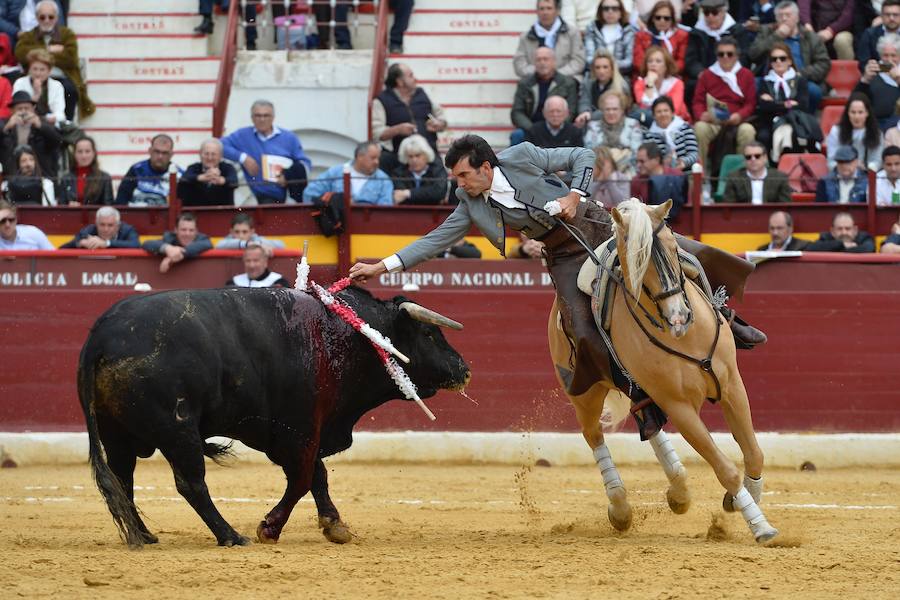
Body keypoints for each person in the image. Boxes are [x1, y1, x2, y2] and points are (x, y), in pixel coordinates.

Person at [348, 135, 767, 401]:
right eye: (456, 178)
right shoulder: (470, 203)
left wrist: (573, 195)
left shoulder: (524, 156)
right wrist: (381, 266)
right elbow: (434, 240)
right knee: (581, 327)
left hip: (596, 222)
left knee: (684, 254)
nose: (460, 184)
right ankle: (632, 389)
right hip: (564, 255)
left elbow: (582, 154)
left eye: (463, 175)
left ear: (485, 167)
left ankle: (730, 319)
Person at [220, 100, 312, 204]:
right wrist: (243, 158)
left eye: (266, 115)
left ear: (273, 117)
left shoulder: (289, 137)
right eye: (258, 116)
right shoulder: (243, 135)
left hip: (290, 194)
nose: (262, 119)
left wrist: (288, 176)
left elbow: (305, 164)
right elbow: (218, 146)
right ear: (252, 118)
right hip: (264, 197)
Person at [747, 1, 831, 113]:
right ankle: (762, 119)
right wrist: (776, 36)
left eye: (788, 15)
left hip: (800, 78)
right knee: (752, 84)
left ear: (797, 18)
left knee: (813, 90)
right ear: (776, 19)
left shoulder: (810, 37)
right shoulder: (767, 32)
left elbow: (823, 63)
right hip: (770, 79)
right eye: (781, 16)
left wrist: (801, 74)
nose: (784, 19)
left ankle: (807, 119)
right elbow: (753, 55)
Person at [14, 0, 93, 120]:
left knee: (70, 90)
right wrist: (49, 49)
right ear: (37, 18)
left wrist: (37, 54)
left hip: (63, 77)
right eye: (42, 17)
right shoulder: (28, 36)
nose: (46, 20)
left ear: (56, 17)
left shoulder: (67, 34)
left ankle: (66, 124)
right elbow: (21, 54)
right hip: (34, 76)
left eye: (50, 17)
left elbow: (71, 58)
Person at [691, 37, 757, 168]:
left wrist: (739, 116)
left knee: (748, 131)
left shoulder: (746, 75)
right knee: (699, 128)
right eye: (721, 54)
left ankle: (741, 173)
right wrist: (701, 115)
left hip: (736, 120)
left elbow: (750, 103)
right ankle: (699, 175)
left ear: (736, 56)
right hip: (712, 121)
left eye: (729, 54)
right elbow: (697, 101)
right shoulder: (707, 75)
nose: (725, 57)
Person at [372, 63, 447, 174]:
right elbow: (377, 133)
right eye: (410, 75)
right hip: (399, 160)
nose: (415, 79)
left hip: (428, 155)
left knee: (441, 182)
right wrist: (398, 129)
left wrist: (438, 124)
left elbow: (441, 117)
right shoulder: (381, 101)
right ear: (400, 82)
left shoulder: (422, 94)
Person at [756, 41, 812, 160]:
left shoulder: (799, 81)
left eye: (782, 58)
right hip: (770, 122)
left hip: (795, 121)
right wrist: (788, 104)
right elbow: (764, 107)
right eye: (774, 59)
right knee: (763, 136)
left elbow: (803, 105)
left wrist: (775, 103)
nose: (778, 62)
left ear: (789, 61)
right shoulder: (765, 82)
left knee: (793, 134)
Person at [511, 47, 579, 146]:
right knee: (517, 135)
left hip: (558, 127)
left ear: (554, 62)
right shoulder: (524, 84)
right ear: (534, 63)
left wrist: (555, 125)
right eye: (538, 60)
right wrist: (533, 129)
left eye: (546, 59)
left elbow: (571, 111)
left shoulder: (568, 83)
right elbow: (517, 112)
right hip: (531, 128)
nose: (542, 63)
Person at [684, 0, 745, 105]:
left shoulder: (737, 31)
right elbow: (691, 60)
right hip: (704, 76)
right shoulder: (697, 33)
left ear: (723, 12)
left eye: (714, 13)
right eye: (706, 13)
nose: (710, 17)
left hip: (731, 73)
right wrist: (702, 74)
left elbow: (743, 57)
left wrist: (727, 73)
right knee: (691, 86)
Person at [302, 141, 393, 206]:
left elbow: (385, 209)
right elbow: (309, 194)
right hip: (337, 228)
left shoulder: (384, 180)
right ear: (359, 157)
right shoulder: (336, 172)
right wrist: (334, 202)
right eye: (373, 158)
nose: (377, 162)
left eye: (378, 158)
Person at [513, 0, 586, 82]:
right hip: (535, 81)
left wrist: (555, 74)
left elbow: (579, 62)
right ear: (537, 12)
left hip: (564, 80)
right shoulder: (526, 37)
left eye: (549, 8)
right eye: (542, 9)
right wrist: (541, 72)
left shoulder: (572, 33)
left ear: (558, 11)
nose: (545, 12)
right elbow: (519, 66)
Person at [0, 90, 60, 178]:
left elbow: (57, 141)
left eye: (27, 108)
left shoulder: (42, 122)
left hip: (40, 175)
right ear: (12, 111)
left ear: (33, 109)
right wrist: (6, 128)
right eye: (19, 109)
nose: (23, 112)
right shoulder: (4, 124)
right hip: (11, 175)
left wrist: (40, 126)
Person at [583, 90, 644, 176]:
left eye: (615, 109)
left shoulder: (633, 124)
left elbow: (636, 153)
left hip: (627, 171)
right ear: (602, 110)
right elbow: (589, 153)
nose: (611, 113)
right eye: (607, 109)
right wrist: (623, 153)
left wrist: (607, 157)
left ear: (622, 110)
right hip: (599, 173)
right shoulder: (593, 126)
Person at [115, 134, 183, 206]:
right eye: (156, 152)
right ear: (150, 151)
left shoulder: (179, 175)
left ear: (171, 154)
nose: (160, 156)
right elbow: (121, 200)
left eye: (165, 153)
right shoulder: (136, 170)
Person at [825, 92, 884, 170]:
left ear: (867, 113)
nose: (856, 116)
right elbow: (831, 161)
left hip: (867, 175)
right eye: (853, 112)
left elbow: (877, 160)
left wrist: (866, 168)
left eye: (860, 112)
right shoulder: (836, 131)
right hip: (841, 176)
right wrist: (848, 167)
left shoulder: (877, 133)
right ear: (848, 113)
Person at [574, 48, 632, 127]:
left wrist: (590, 116)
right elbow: (584, 101)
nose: (601, 71)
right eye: (598, 67)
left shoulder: (621, 86)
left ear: (612, 69)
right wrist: (584, 112)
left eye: (605, 67)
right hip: (590, 122)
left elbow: (612, 110)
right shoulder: (588, 83)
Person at [854, 33, 900, 131]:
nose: (889, 60)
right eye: (885, 56)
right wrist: (865, 80)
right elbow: (855, 100)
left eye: (893, 55)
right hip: (875, 125)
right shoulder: (872, 72)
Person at [142, 212, 213, 273]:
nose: (187, 234)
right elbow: (147, 244)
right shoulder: (169, 237)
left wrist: (174, 256)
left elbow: (207, 244)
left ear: (196, 231)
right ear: (176, 230)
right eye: (183, 230)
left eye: (191, 230)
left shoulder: (203, 239)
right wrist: (167, 248)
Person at [633, 45, 690, 121]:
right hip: (649, 122)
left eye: (658, 61)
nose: (653, 64)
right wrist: (650, 83)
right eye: (650, 61)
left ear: (666, 66)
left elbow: (674, 110)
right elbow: (644, 108)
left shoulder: (677, 84)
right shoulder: (639, 83)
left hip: (676, 121)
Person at [724, 140, 792, 203]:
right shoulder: (734, 178)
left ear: (765, 158)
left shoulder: (780, 178)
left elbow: (785, 207)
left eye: (757, 156)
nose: (753, 159)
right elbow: (729, 207)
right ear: (744, 160)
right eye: (748, 157)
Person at [177, 138, 239, 206]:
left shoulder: (228, 168)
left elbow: (234, 181)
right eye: (206, 154)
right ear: (200, 154)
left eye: (213, 154)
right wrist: (201, 177)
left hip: (223, 213)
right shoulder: (193, 167)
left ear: (221, 156)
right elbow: (183, 179)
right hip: (195, 213)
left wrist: (220, 180)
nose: (210, 158)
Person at [644, 96, 699, 170]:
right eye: (658, 112)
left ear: (672, 113)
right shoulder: (649, 135)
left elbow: (694, 154)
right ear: (654, 116)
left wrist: (683, 162)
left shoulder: (685, 128)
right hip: (660, 175)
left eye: (666, 110)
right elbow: (648, 159)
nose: (663, 114)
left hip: (686, 173)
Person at [633, 1, 690, 74]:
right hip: (646, 75)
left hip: (671, 75)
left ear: (672, 20)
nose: (662, 21)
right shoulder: (641, 35)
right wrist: (653, 72)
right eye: (658, 17)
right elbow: (638, 61)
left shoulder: (681, 36)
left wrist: (664, 73)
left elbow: (681, 61)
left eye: (666, 18)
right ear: (653, 18)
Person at [391, 134, 448, 205]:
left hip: (433, 214)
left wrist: (408, 193)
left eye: (417, 155)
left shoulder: (438, 170)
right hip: (407, 213)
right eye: (410, 156)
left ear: (426, 155)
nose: (414, 160)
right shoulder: (398, 173)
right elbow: (400, 197)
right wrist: (427, 194)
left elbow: (439, 193)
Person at [583, 0, 636, 77]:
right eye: (606, 8)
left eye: (615, 8)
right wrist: (602, 68)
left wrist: (608, 67)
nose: (610, 12)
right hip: (595, 74)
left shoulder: (628, 30)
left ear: (621, 12)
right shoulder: (592, 29)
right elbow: (589, 58)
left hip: (621, 74)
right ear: (601, 12)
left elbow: (629, 61)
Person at [12, 48, 63, 125]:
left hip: (50, 123)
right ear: (29, 69)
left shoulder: (56, 85)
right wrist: (36, 95)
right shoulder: (20, 83)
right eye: (35, 69)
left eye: (42, 70)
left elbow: (60, 113)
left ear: (49, 71)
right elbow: (19, 109)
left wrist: (50, 118)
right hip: (26, 123)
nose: (38, 73)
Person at [59, 136, 113, 205]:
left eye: (87, 151)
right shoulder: (66, 178)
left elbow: (108, 208)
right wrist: (69, 207)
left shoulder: (104, 178)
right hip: (72, 216)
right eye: (80, 151)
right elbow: (61, 207)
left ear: (94, 153)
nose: (83, 156)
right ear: (74, 154)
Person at [59, 206, 139, 249]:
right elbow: (62, 248)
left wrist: (106, 243)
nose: (105, 229)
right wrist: (80, 243)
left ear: (118, 226)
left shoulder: (127, 230)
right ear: (96, 224)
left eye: (110, 225)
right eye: (102, 225)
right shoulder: (90, 230)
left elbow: (135, 245)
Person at [215, 212, 284, 257]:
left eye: (244, 232)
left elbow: (281, 245)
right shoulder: (227, 241)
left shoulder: (256, 239)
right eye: (237, 232)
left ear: (252, 232)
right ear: (231, 231)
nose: (241, 236)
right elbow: (218, 245)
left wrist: (255, 244)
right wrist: (249, 244)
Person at [857, 0, 900, 70]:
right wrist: (888, 69)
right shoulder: (869, 34)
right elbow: (863, 64)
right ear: (881, 16)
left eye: (895, 15)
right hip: (877, 77)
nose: (891, 18)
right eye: (887, 14)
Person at [225, 243, 291, 288]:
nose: (252, 265)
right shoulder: (233, 283)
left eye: (256, 260)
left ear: (265, 262)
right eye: (248, 261)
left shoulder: (279, 283)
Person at [805, 211, 876, 252]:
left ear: (855, 230)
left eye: (848, 228)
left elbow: (869, 249)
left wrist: (837, 249)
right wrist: (842, 244)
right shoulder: (825, 237)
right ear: (832, 231)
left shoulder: (864, 238)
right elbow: (810, 248)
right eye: (839, 229)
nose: (844, 232)